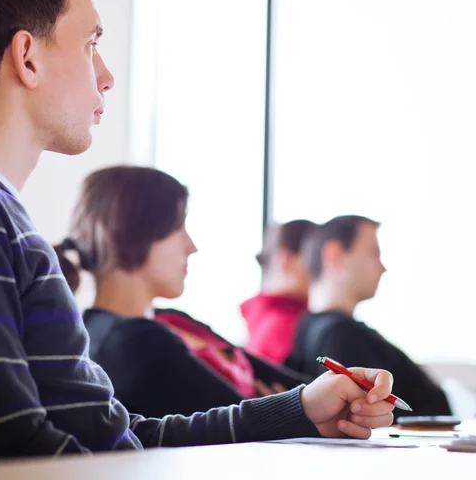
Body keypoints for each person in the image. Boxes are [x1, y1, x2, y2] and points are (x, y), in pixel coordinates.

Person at [0, 0, 395, 464]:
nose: (106, 76)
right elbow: (11, 455)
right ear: (27, 58)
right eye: (90, 44)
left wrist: (298, 410)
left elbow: (115, 442)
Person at [55, 165, 312, 419]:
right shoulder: (128, 341)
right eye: (179, 228)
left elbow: (295, 391)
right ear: (137, 233)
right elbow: (252, 423)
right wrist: (279, 409)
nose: (192, 246)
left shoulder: (170, 319)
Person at [286, 215, 451, 417]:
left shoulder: (306, 328)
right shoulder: (341, 335)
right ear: (335, 254)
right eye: (375, 253)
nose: (383, 267)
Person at [240, 220, 317, 365]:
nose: (321, 268)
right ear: (287, 260)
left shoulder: (264, 317)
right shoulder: (284, 325)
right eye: (315, 258)